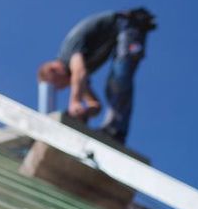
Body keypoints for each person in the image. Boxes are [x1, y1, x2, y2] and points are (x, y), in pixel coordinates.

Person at [37, 8, 156, 143]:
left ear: (53, 70)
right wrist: (86, 111)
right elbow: (95, 104)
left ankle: (115, 131)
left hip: (127, 24)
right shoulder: (76, 77)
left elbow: (79, 72)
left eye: (58, 84)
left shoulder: (67, 53)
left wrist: (74, 101)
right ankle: (114, 130)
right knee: (115, 82)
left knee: (119, 78)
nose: (64, 87)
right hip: (120, 33)